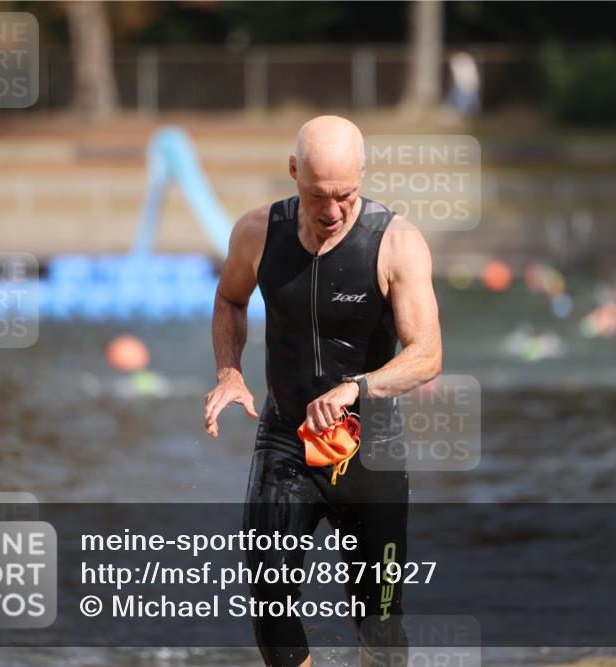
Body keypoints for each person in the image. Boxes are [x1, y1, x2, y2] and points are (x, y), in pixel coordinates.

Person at [203, 115, 443, 667]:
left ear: (362, 174)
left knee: (378, 620)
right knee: (269, 598)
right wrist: (229, 372)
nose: (332, 211)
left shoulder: (396, 243)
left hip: (369, 448)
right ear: (293, 172)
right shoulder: (257, 232)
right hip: (287, 437)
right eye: (317, 195)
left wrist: (357, 388)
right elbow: (230, 299)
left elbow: (427, 354)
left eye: (345, 195)